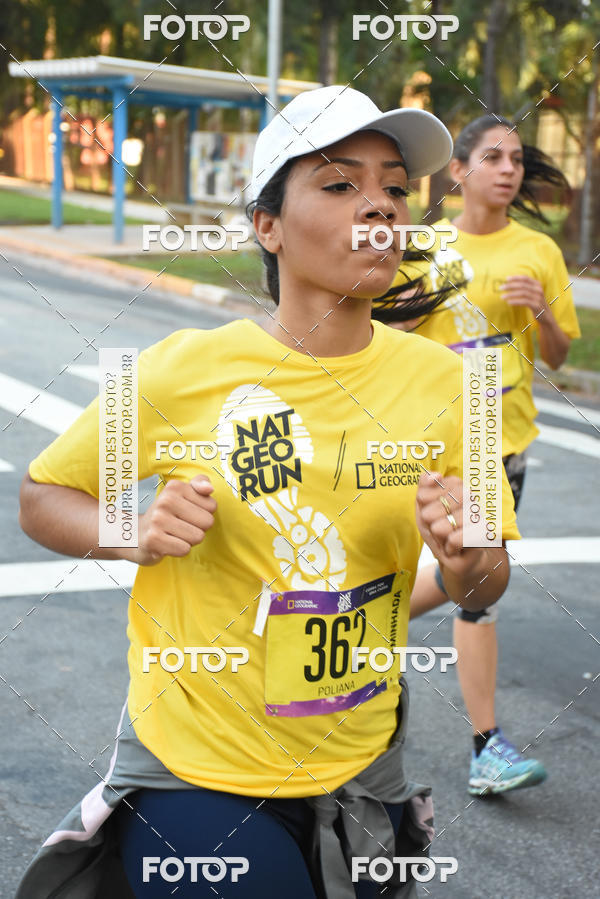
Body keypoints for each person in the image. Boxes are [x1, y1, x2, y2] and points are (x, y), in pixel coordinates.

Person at [16, 88, 520, 899]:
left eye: (394, 187)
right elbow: (43, 494)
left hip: (362, 768)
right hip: (197, 770)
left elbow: (489, 576)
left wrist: (465, 562)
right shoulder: (179, 368)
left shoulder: (453, 385)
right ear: (267, 225)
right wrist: (132, 530)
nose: (379, 208)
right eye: (338, 184)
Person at [373, 113, 580, 797]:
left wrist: (543, 313)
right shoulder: (422, 245)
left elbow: (559, 354)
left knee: (476, 579)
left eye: (516, 158)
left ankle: (370, 618)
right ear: (458, 171)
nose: (509, 168)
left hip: (503, 436)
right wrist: (397, 313)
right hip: (434, 437)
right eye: (492, 156)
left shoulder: (538, 252)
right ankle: (485, 744)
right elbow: (383, 333)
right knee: (474, 580)